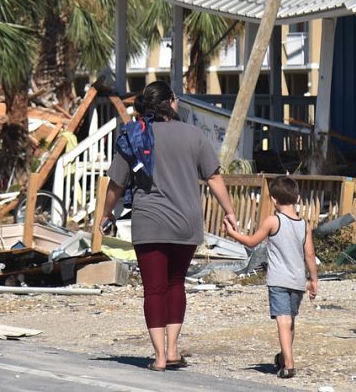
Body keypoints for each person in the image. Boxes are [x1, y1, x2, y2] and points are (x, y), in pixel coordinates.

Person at [102, 80, 238, 372]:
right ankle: (174, 349)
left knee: (154, 290)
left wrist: (106, 214)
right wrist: (230, 211)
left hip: (149, 223)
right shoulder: (194, 134)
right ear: (171, 103)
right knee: (176, 284)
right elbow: (214, 178)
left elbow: (116, 183)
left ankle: (160, 356)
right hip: (186, 224)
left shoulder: (135, 136)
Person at [221, 175, 318, 380]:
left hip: (278, 280)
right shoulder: (304, 225)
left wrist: (231, 234)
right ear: (298, 198)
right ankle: (284, 358)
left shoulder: (273, 221)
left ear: (273, 199)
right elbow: (310, 254)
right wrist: (314, 280)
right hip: (298, 280)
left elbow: (251, 242)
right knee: (290, 321)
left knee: (282, 320)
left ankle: (289, 364)